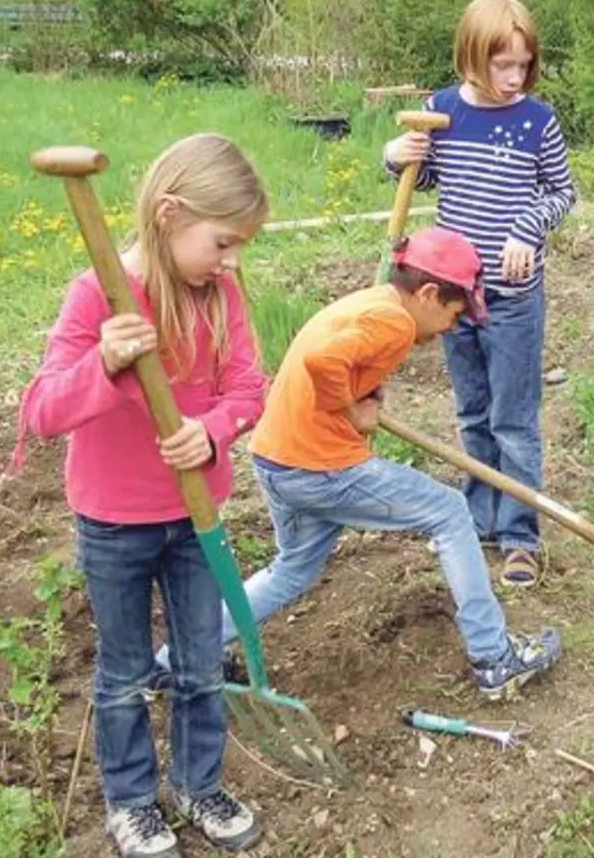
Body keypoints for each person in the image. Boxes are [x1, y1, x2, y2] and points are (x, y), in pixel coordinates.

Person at [7, 133, 269, 857]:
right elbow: (43, 411)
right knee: (123, 672)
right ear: (170, 213)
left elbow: (251, 389)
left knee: (199, 665)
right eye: (222, 242)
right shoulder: (99, 294)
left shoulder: (223, 295)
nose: (231, 261)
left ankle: (197, 784)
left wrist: (212, 431)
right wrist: (107, 361)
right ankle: (131, 802)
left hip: (197, 518)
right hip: (115, 523)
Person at [236, 226, 563, 700]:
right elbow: (324, 361)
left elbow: (337, 357)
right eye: (454, 313)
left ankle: (183, 658)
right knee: (450, 512)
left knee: (291, 570)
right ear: (429, 294)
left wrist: (362, 392)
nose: (453, 326)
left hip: (276, 459)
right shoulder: (394, 323)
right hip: (320, 467)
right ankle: (495, 659)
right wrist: (350, 410)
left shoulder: (373, 304)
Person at [382, 0, 577, 588]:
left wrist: (526, 229)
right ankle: (481, 516)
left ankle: (520, 535)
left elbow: (562, 193)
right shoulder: (442, 112)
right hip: (452, 297)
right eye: (502, 65)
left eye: (523, 64)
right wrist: (397, 157)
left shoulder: (537, 122)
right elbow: (430, 176)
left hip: (513, 296)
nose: (515, 77)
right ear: (472, 56)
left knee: (513, 419)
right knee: (472, 414)